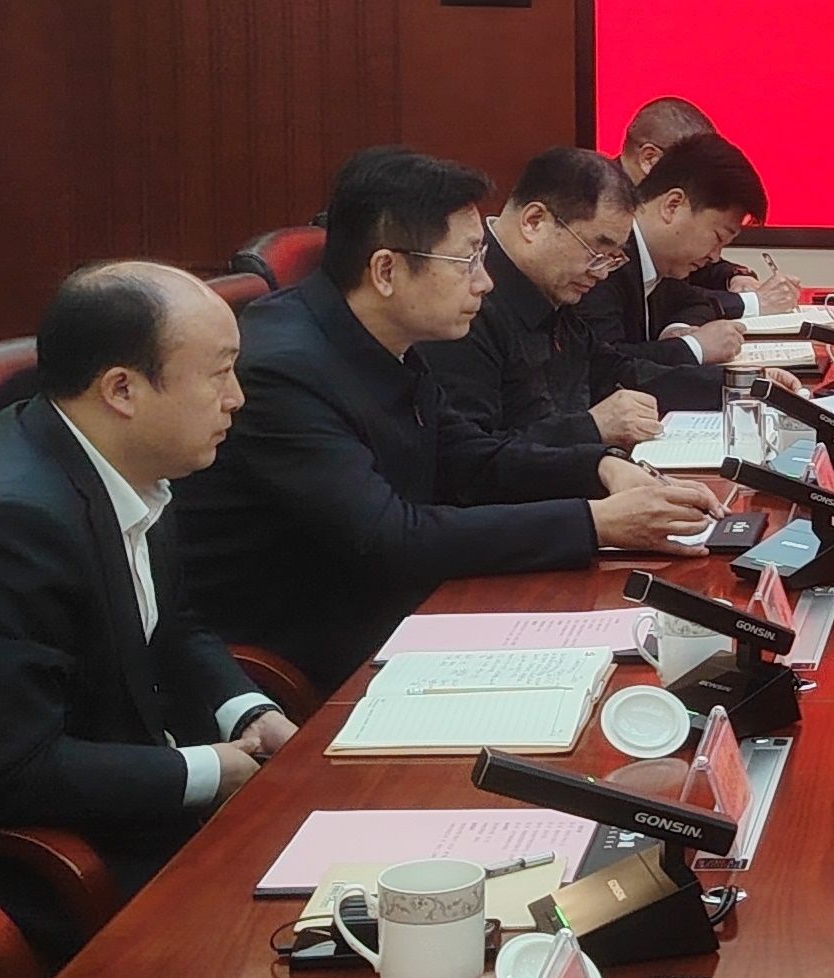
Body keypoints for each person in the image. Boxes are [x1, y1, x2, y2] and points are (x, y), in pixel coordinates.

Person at [174, 149, 720, 689]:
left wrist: (600, 468)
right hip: (311, 643)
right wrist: (595, 523)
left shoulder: (382, 337)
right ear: (386, 270)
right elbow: (390, 538)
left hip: (398, 605)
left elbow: (468, 457)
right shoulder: (285, 370)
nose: (485, 283)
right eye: (467, 262)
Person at [0, 263, 292, 887]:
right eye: (218, 374)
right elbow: (11, 769)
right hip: (33, 866)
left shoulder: (125, 462)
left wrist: (248, 714)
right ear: (122, 390)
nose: (236, 397)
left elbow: (170, 627)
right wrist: (209, 770)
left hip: (123, 808)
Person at [417, 147, 664, 450]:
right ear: (534, 221)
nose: (601, 273)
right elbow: (470, 455)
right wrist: (589, 429)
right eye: (596, 252)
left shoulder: (553, 289)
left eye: (612, 258)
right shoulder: (465, 306)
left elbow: (612, 370)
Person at [581, 132, 782, 408]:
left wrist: (680, 330)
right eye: (718, 237)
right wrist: (695, 348)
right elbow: (606, 369)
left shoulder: (662, 263)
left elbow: (696, 301)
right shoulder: (607, 259)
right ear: (672, 205)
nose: (715, 256)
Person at [614, 95, 798, 313]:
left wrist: (734, 274)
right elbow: (668, 296)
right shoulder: (601, 213)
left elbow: (686, 261)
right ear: (649, 158)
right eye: (692, 162)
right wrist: (752, 302)